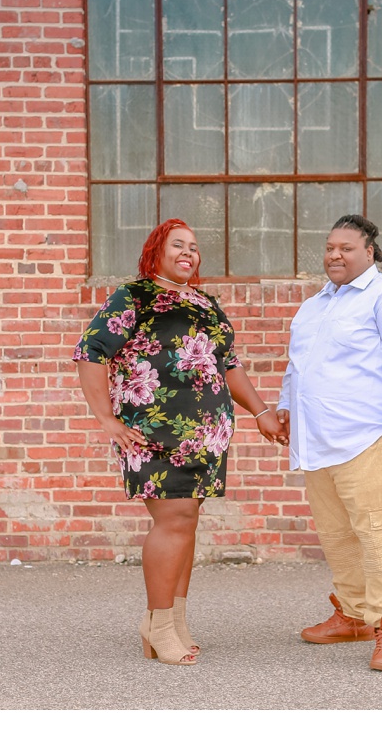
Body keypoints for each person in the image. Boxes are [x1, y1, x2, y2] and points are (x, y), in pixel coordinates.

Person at [74, 219, 285, 665]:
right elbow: (91, 351)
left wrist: (262, 412)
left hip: (206, 433)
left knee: (186, 521)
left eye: (194, 247)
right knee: (172, 521)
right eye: (178, 245)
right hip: (153, 429)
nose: (189, 252)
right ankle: (157, 623)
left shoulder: (206, 303)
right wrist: (107, 419)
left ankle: (176, 621)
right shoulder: (134, 296)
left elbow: (229, 364)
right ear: (157, 250)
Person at [276, 214, 382, 672]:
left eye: (346, 247)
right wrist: (287, 406)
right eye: (329, 247)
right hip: (319, 441)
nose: (334, 255)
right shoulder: (314, 306)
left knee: (380, 537)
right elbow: (297, 366)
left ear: (370, 252)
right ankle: (354, 615)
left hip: (370, 440)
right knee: (338, 537)